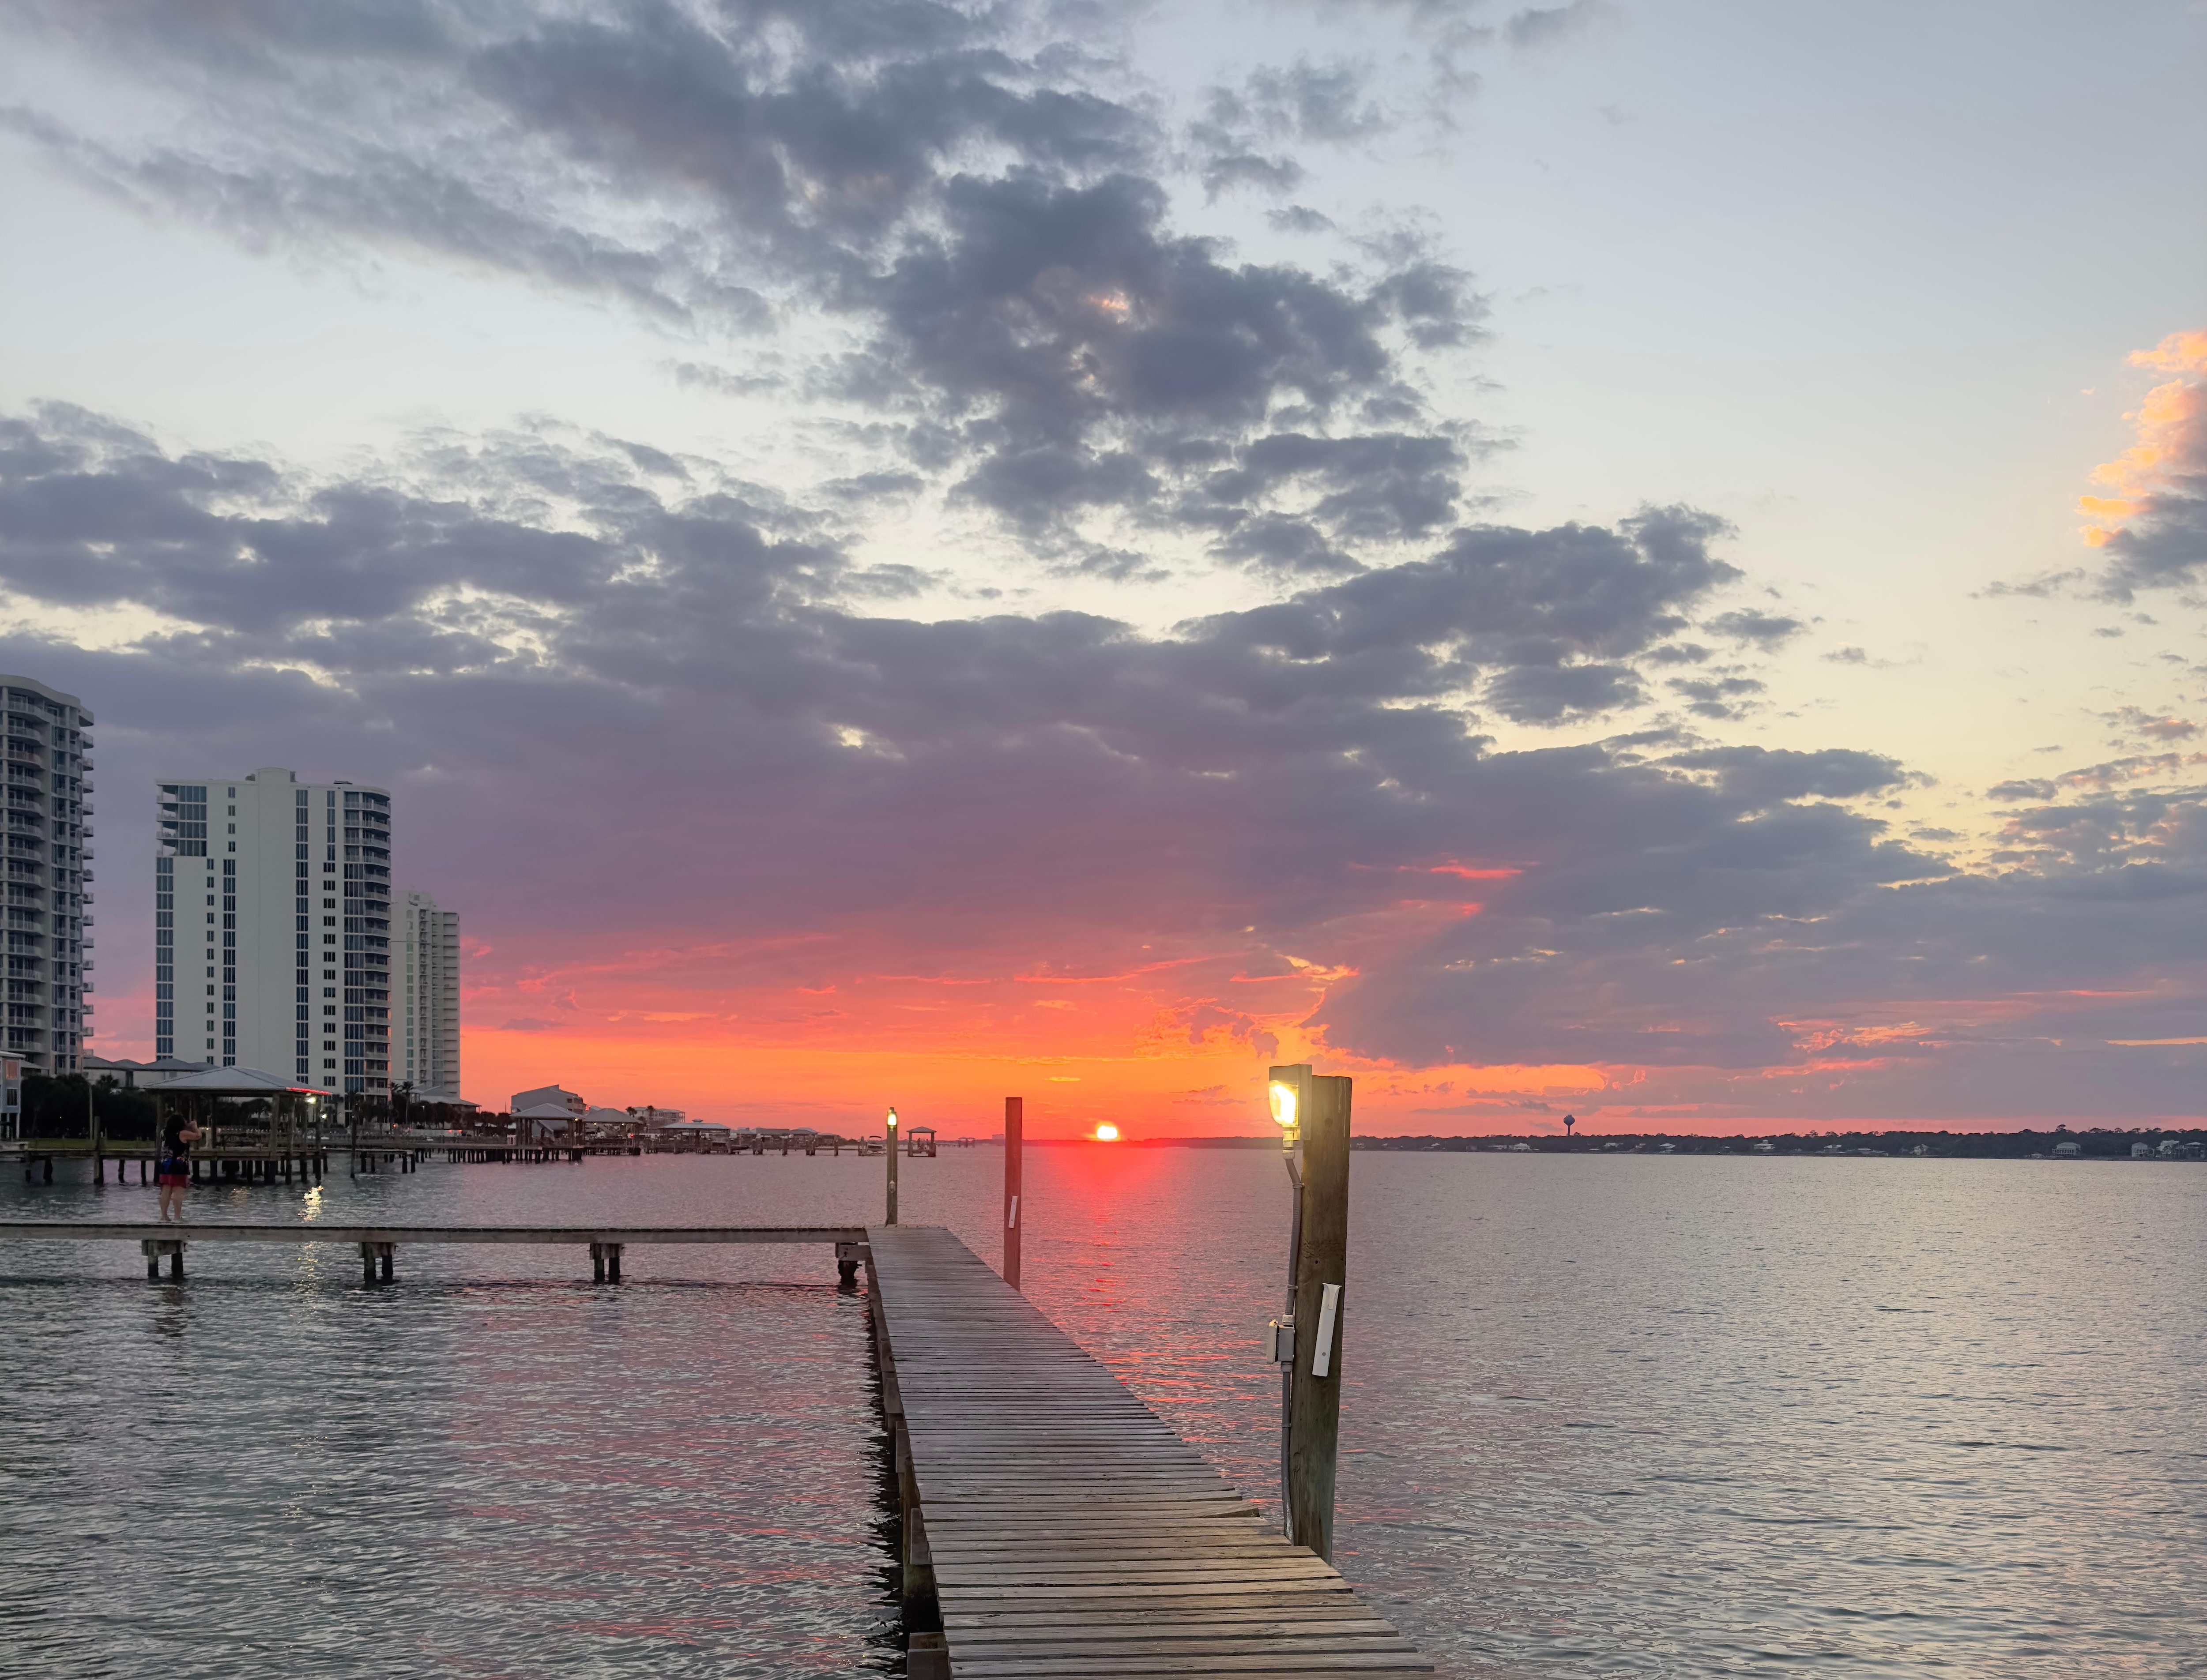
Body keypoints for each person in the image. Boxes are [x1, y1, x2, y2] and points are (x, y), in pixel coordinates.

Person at [157, 1112, 202, 1221]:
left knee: (166, 1190)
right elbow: (198, 1136)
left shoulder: (164, 1133)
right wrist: (195, 1127)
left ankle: (164, 1216)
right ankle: (177, 1217)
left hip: (165, 1164)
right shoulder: (182, 1133)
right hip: (178, 1164)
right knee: (178, 1191)